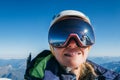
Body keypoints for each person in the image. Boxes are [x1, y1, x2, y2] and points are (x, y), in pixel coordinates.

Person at [24, 10, 120, 80]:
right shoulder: (36, 76)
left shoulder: (104, 75)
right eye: (62, 37)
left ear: (89, 47)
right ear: (52, 48)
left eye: (82, 38)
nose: (72, 44)